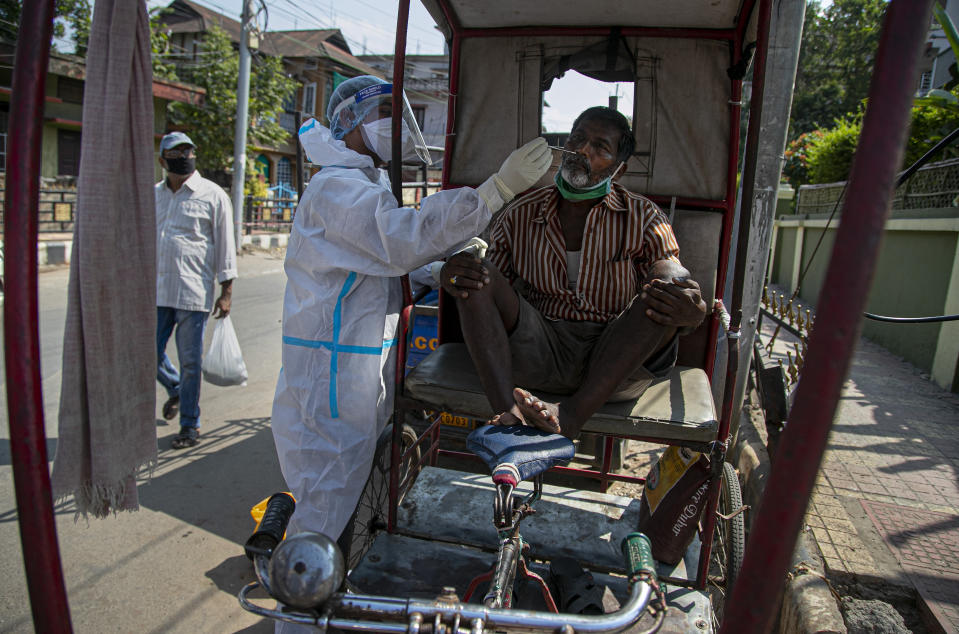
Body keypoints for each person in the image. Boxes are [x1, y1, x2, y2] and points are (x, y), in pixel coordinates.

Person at [270, 75, 552, 546]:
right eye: (384, 115)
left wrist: (437, 269)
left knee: (339, 493)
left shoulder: (362, 182)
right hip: (330, 370)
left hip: (347, 362)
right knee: (324, 504)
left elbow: (372, 266)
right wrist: (496, 191)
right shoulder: (337, 190)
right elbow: (400, 241)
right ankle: (305, 603)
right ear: (350, 123)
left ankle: (325, 593)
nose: (395, 125)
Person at [440, 106, 708, 440]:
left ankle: (571, 417)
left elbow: (672, 272)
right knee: (475, 273)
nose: (583, 150)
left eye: (600, 147)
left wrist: (691, 306)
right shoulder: (521, 212)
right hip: (536, 351)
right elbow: (490, 291)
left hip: (615, 363)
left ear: (619, 171)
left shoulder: (643, 216)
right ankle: (507, 416)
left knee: (664, 288)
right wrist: (456, 274)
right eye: (578, 138)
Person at [155, 131, 237, 450]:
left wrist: (226, 291)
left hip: (193, 293)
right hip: (157, 291)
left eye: (188, 150)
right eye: (176, 152)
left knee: (191, 362)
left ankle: (190, 424)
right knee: (149, 355)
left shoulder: (212, 195)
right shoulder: (155, 195)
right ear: (163, 160)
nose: (184, 156)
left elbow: (226, 246)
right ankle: (175, 388)